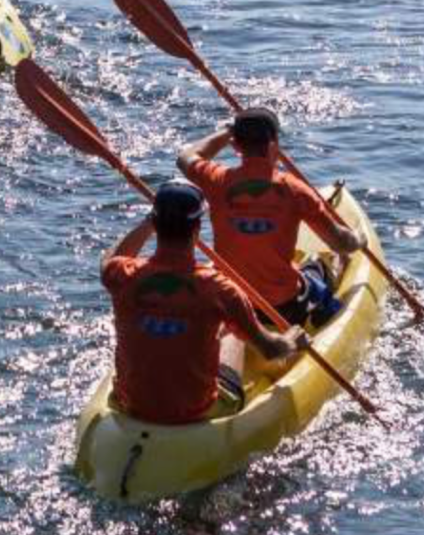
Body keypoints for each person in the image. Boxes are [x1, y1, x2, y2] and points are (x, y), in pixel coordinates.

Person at [101, 180, 305, 425]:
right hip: (198, 412)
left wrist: (149, 222)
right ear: (197, 228)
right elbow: (271, 350)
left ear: (155, 224)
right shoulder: (219, 289)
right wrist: (292, 340)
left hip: (129, 405)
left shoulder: (121, 274)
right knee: (230, 331)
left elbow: (111, 259)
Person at [177, 108, 365, 330]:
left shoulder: (216, 180)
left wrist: (228, 132)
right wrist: (359, 240)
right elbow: (339, 242)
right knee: (319, 267)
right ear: (274, 143)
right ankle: (320, 313)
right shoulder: (294, 190)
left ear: (236, 146)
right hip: (282, 307)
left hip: (231, 303)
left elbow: (185, 158)